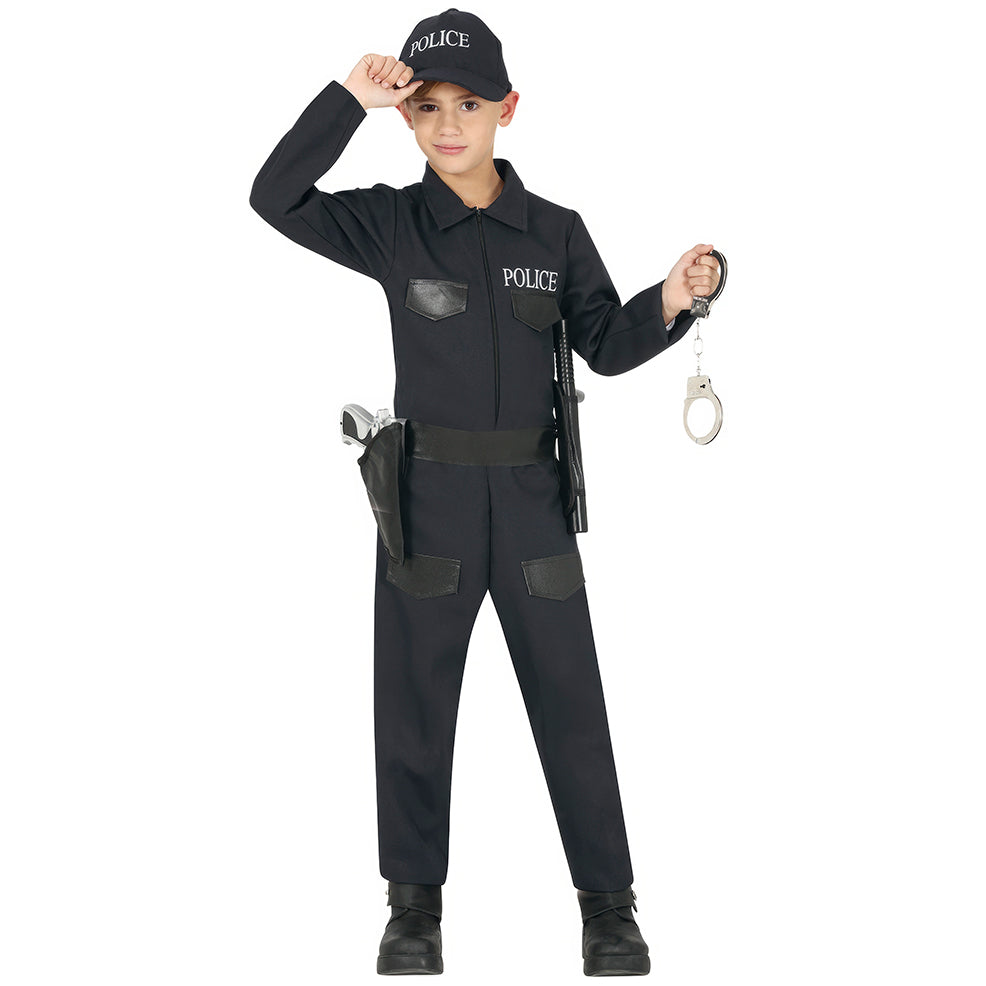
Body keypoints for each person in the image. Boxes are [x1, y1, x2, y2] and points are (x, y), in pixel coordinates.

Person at [249, 7, 721, 977]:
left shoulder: (554, 231)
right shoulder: (389, 224)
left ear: (509, 108)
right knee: (413, 706)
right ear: (405, 117)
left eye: (468, 104)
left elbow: (605, 342)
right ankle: (412, 910)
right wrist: (348, 98)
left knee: (570, 699)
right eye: (426, 107)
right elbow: (274, 194)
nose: (448, 124)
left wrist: (672, 300)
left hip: (534, 500)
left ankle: (608, 906)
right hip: (425, 503)